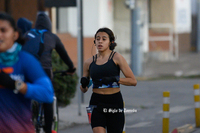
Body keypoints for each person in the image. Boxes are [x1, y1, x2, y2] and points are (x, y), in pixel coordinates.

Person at [17, 1, 76, 132]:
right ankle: (48, 130)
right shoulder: (52, 37)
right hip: (44, 70)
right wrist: (71, 68)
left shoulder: (26, 35)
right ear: (49, 25)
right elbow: (64, 56)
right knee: (48, 98)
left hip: (26, 69)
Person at [0, 12, 54, 133]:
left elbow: (47, 94)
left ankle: (48, 129)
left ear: (15, 35)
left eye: (3, 30)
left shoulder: (25, 60)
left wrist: (17, 85)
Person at [80, 27, 137, 133]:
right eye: (98, 39)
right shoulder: (88, 62)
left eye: (104, 39)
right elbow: (84, 89)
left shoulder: (117, 58)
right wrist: (84, 85)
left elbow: (133, 81)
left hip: (114, 102)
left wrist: (116, 79)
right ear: (94, 42)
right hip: (96, 102)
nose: (100, 41)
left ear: (111, 42)